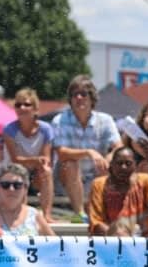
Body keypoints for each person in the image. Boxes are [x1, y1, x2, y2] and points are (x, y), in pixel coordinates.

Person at [52, 75, 122, 222]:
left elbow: (119, 148)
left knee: (108, 163)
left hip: (94, 175)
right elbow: (61, 153)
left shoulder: (105, 120)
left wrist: (108, 158)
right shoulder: (60, 120)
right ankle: (80, 214)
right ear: (70, 100)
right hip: (65, 180)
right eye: (74, 94)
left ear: (92, 98)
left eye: (83, 94)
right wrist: (89, 152)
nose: (78, 97)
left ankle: (97, 211)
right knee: (71, 163)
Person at [87, 144, 148, 237]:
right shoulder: (99, 184)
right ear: (111, 164)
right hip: (109, 240)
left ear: (135, 165)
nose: (123, 167)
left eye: (128, 163)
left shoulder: (144, 181)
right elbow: (97, 223)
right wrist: (120, 236)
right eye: (119, 163)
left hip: (140, 238)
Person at [2, 87, 55, 223]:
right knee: (19, 175)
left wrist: (38, 163)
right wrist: (36, 160)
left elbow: (46, 160)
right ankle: (21, 216)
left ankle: (46, 215)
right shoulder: (9, 130)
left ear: (36, 109)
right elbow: (15, 160)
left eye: (26, 104)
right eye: (18, 105)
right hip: (14, 172)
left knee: (47, 171)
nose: (22, 107)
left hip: (35, 174)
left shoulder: (45, 129)